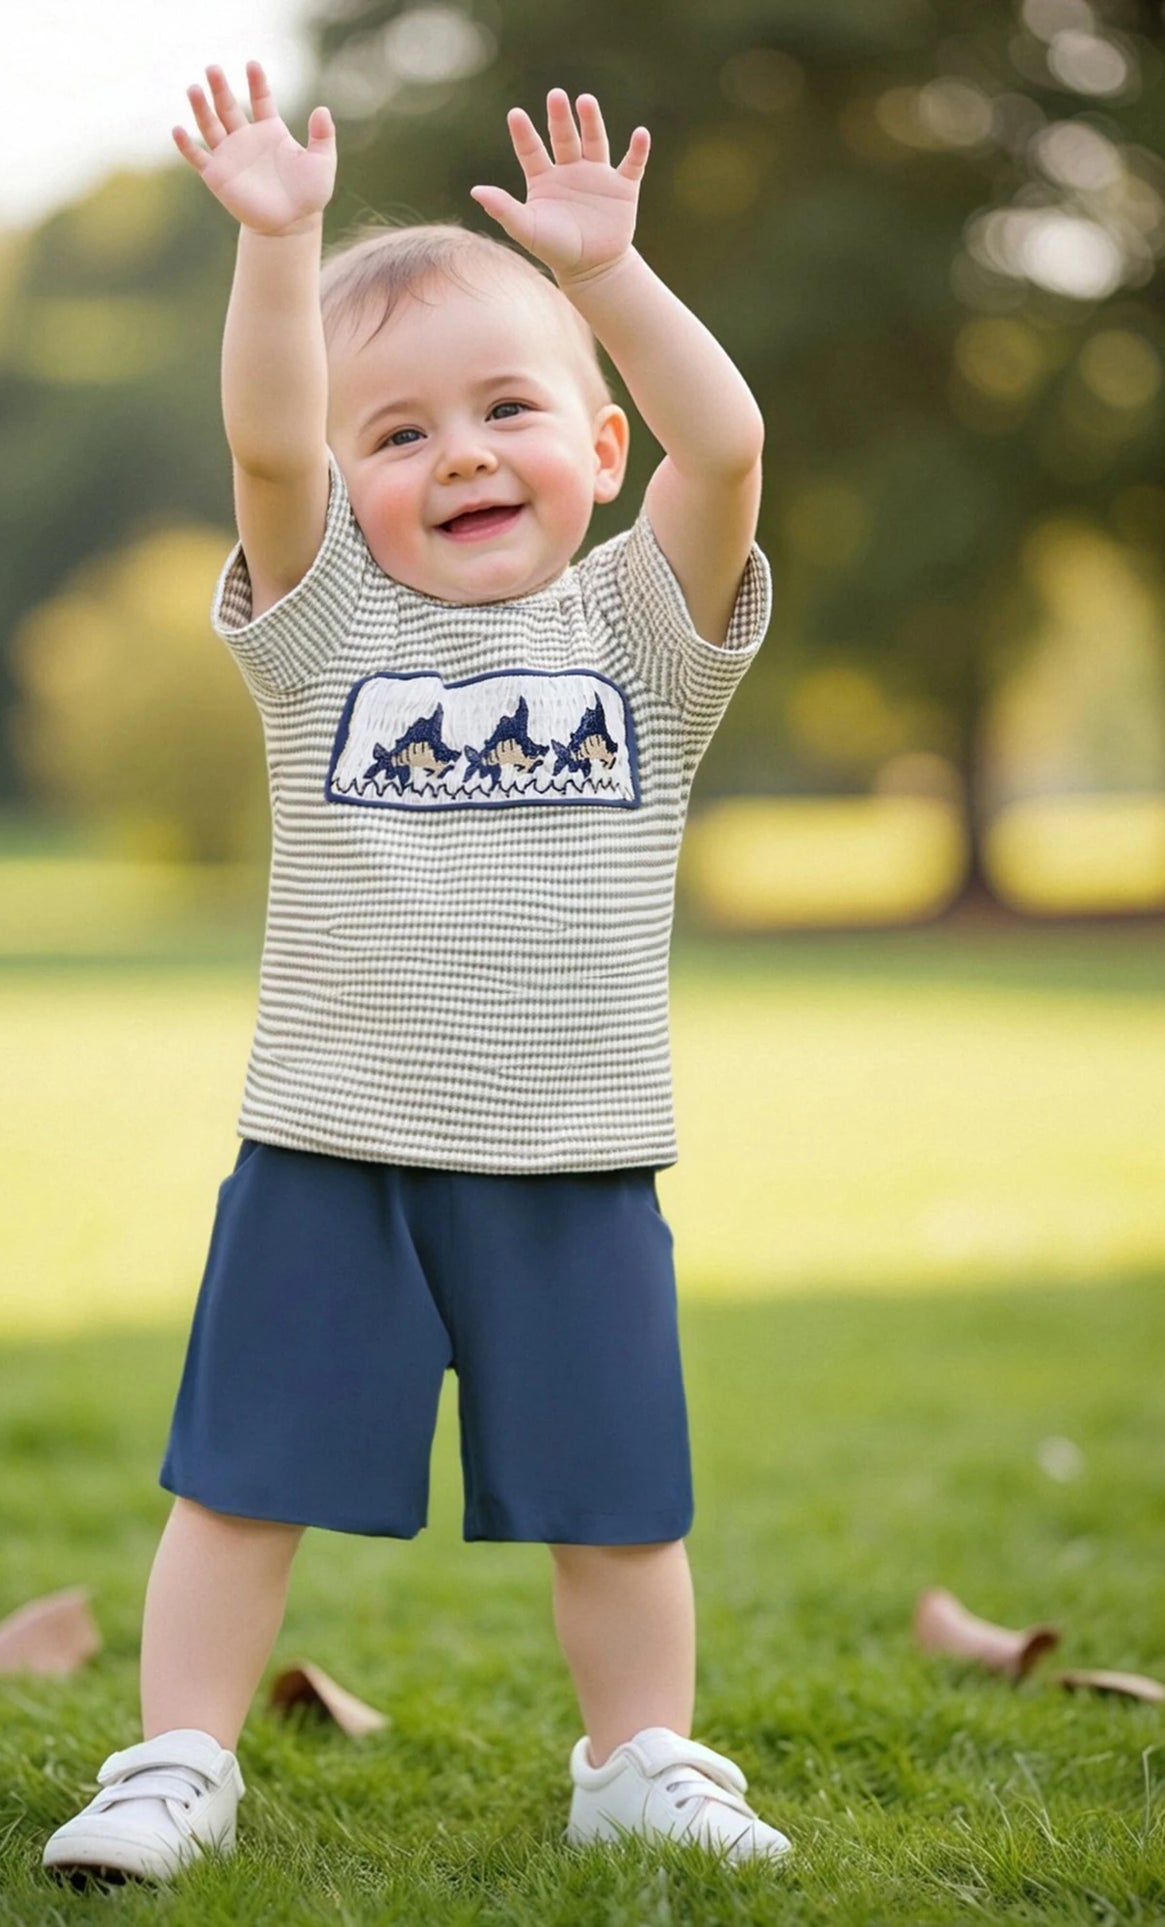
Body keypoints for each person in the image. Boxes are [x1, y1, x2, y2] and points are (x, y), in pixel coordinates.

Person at [42, 58, 790, 1884]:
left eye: (506, 409)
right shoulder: (327, 634)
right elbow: (275, 444)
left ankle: (638, 1758)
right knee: (242, 1481)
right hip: (332, 1141)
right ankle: (174, 1764)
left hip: (577, 1152)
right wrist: (279, 248)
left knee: (616, 1503)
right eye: (403, 435)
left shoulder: (646, 635)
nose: (454, 452)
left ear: (595, 451)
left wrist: (606, 281)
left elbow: (730, 446)